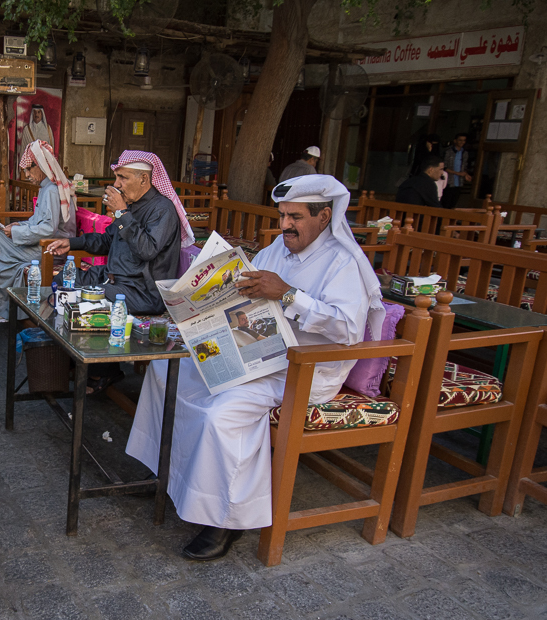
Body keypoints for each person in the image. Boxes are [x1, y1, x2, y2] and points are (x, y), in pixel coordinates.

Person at [127, 174, 383, 562]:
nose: (285, 226)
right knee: (165, 371)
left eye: (295, 217)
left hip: (305, 369)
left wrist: (289, 295)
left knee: (222, 413)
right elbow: (249, 288)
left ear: (325, 215)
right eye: (282, 215)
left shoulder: (343, 263)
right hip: (258, 349)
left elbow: (347, 330)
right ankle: (168, 472)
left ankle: (225, 519)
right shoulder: (279, 247)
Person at [47, 149, 194, 315]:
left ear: (144, 179)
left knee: (80, 300)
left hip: (140, 291)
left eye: (123, 177)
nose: (116, 184)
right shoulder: (131, 205)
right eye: (116, 177)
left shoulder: (162, 209)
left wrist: (123, 213)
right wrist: (71, 242)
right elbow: (107, 240)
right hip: (113, 279)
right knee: (62, 281)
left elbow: (147, 250)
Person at [0, 140, 77, 322]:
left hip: (52, 249)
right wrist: (18, 226)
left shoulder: (52, 191)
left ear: (40, 166)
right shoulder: (48, 188)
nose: (27, 174)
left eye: (29, 169)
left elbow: (48, 230)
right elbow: (38, 221)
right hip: (44, 244)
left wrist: (16, 233)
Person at [18, 103, 56, 169]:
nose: (36, 114)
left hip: (44, 166)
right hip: (30, 166)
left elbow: (50, 150)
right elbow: (23, 150)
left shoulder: (48, 129)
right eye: (35, 112)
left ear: (42, 114)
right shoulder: (27, 129)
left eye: (39, 112)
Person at [442, 133, 472, 209]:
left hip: (459, 182)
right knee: (445, 203)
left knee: (453, 203)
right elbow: (444, 167)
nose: (462, 142)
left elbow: (465, 166)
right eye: (460, 140)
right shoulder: (448, 151)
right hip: (449, 180)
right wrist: (457, 173)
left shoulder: (465, 153)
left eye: (464, 140)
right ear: (455, 141)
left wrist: (465, 174)